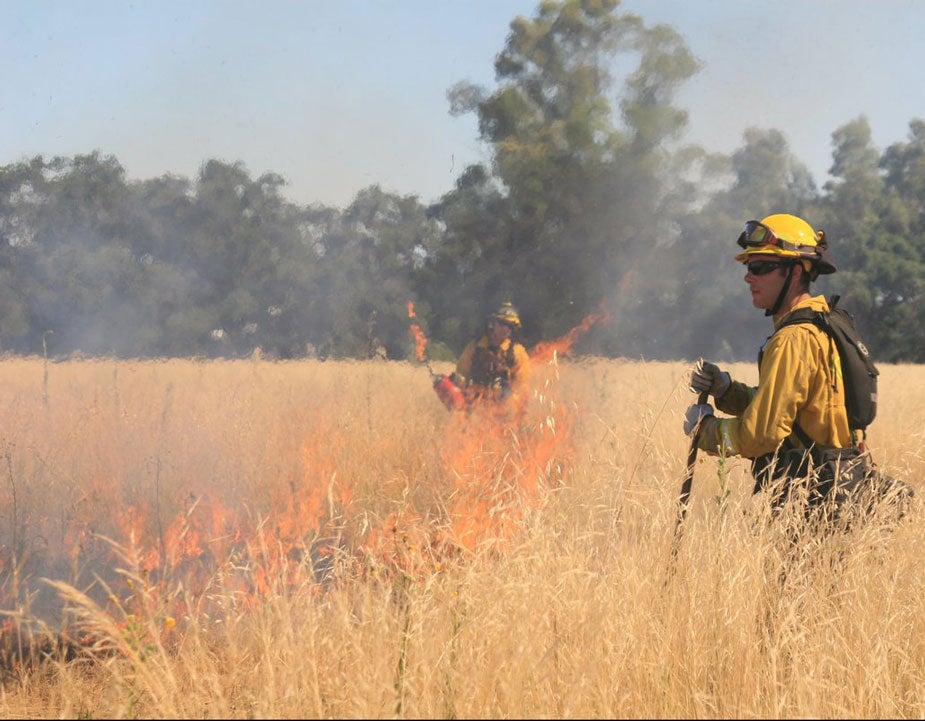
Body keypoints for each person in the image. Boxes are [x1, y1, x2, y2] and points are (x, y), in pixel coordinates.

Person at [682, 213, 906, 518]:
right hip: (841, 488)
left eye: (761, 267)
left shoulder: (793, 339)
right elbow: (793, 407)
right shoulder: (821, 323)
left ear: (796, 270)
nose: (749, 277)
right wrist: (727, 391)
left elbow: (760, 434)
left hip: (813, 502)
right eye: (749, 267)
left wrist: (703, 430)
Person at [451, 302, 531, 424]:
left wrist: (511, 405)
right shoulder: (475, 348)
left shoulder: (517, 353)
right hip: (475, 409)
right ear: (492, 324)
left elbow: (522, 385)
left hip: (504, 411)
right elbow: (461, 373)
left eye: (510, 326)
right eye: (502, 324)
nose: (506, 329)